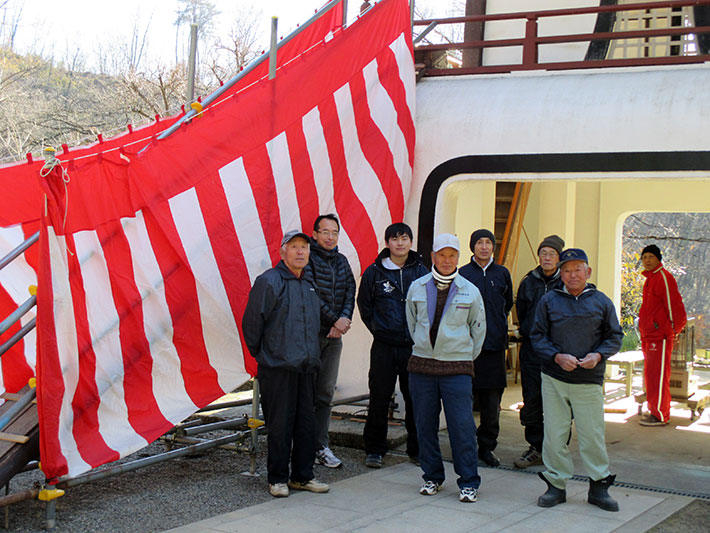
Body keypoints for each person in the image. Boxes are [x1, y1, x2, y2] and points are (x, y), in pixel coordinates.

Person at [530, 248, 623, 512]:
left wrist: (599, 355)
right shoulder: (549, 300)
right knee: (555, 435)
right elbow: (537, 337)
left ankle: (599, 486)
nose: (572, 275)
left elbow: (614, 337)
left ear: (588, 272)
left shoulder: (601, 302)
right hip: (555, 378)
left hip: (589, 380)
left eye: (577, 269)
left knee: (592, 435)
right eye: (567, 270)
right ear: (561, 273)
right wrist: (557, 357)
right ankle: (556, 485)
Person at [242, 230, 330, 498]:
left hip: (306, 367)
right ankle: (278, 478)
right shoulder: (269, 281)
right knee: (280, 425)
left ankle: (302, 476)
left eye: (304, 247)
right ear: (283, 252)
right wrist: (266, 355)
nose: (301, 252)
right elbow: (252, 324)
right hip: (277, 368)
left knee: (305, 424)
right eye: (294, 247)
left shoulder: (309, 284)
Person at [405, 233, 486, 503]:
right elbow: (412, 323)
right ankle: (432, 477)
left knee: (461, 427)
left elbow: (478, 329)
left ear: (459, 258)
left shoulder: (470, 290)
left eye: (452, 255)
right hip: (422, 367)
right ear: (433, 257)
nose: (447, 260)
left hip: (457, 369)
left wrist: (461, 356)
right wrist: (426, 348)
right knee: (425, 425)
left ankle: (469, 482)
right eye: (442, 254)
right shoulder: (417, 287)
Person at [357, 222, 428, 469]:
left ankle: (417, 449)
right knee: (379, 398)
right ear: (387, 243)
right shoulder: (374, 272)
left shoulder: (421, 271)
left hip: (413, 347)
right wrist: (379, 329)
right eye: (395, 239)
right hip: (384, 347)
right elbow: (364, 306)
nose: (400, 243)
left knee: (415, 398)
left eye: (405, 238)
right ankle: (375, 449)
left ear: (411, 242)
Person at [459, 229, 513, 467]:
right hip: (465, 348)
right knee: (463, 400)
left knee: (492, 404)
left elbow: (507, 303)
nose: (483, 247)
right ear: (472, 247)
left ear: (493, 247)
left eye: (488, 242)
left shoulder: (502, 273)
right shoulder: (462, 274)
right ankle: (464, 446)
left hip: (493, 347)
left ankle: (486, 447)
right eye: (479, 242)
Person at [307, 213, 356, 468]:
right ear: (315, 234)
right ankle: (303, 446)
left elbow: (350, 290)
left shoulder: (342, 261)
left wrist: (344, 318)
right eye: (325, 232)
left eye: (334, 232)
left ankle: (321, 445)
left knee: (326, 393)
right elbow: (311, 293)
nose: (330, 237)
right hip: (312, 335)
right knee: (306, 393)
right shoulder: (308, 259)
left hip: (334, 337)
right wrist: (334, 319)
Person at [513, 235, 565, 469]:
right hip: (532, 351)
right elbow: (521, 312)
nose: (547, 257)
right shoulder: (528, 281)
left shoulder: (565, 281)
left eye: (551, 253)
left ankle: (557, 449)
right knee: (532, 399)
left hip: (559, 353)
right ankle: (536, 447)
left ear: (559, 257)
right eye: (543, 253)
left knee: (559, 401)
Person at [638, 244, 687, 426]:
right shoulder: (650, 279)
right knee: (651, 374)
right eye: (644, 258)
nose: (647, 260)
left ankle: (660, 414)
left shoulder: (663, 278)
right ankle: (655, 410)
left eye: (651, 256)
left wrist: (674, 330)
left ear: (658, 258)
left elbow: (674, 305)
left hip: (660, 336)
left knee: (658, 375)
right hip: (650, 335)